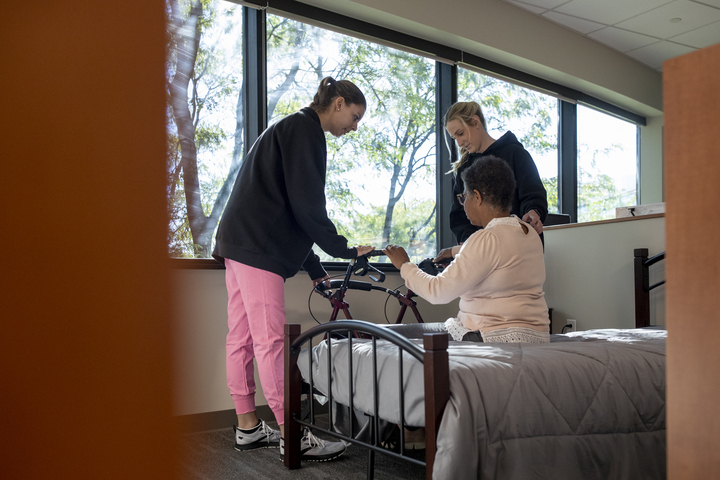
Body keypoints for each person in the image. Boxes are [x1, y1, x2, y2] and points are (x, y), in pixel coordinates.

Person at [212, 77, 375, 461]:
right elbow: (306, 205)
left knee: (242, 338)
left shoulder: (289, 127)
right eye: (354, 117)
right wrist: (345, 249)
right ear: (337, 103)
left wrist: (315, 267)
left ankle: (248, 428)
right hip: (257, 248)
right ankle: (293, 435)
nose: (354, 127)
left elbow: (285, 206)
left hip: (238, 243)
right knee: (269, 341)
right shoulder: (306, 130)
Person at [384, 155, 550, 343]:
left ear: (477, 197)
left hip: (489, 335)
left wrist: (405, 265)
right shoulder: (528, 232)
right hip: (536, 336)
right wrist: (454, 251)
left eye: (464, 197)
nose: (463, 204)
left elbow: (438, 292)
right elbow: (504, 253)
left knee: (384, 335)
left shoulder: (487, 237)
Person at [436, 101, 548, 263]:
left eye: (460, 133)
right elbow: (458, 218)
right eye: (454, 138)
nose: (459, 143)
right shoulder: (463, 170)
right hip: (482, 257)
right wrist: (473, 244)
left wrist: (533, 213)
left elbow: (534, 195)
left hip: (518, 251)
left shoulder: (515, 154)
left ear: (475, 122)